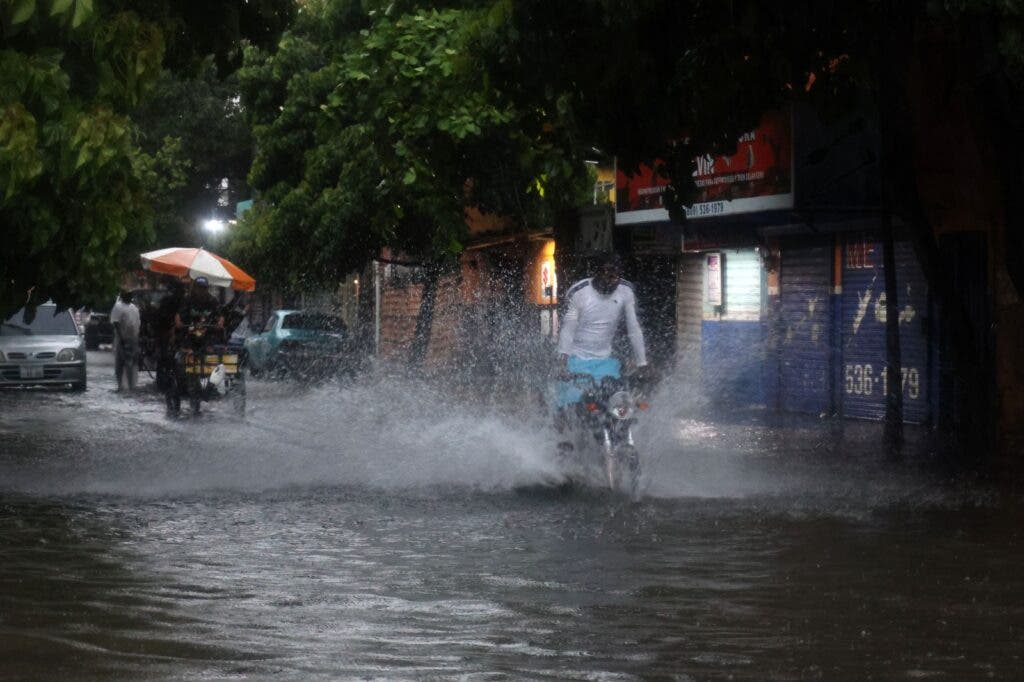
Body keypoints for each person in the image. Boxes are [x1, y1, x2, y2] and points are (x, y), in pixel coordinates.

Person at [553, 253, 650, 414]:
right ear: (596, 272)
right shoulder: (579, 293)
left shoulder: (626, 291)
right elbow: (568, 330)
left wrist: (642, 363)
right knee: (570, 406)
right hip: (576, 360)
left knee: (617, 405)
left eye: (615, 275)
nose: (610, 280)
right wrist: (562, 364)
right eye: (606, 273)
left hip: (605, 362)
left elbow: (634, 329)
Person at [174, 277, 224, 348]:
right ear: (195, 288)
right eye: (199, 287)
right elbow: (178, 314)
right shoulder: (188, 299)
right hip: (189, 333)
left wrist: (220, 323)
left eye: (204, 288)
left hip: (207, 333)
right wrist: (178, 322)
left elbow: (220, 316)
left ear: (207, 289)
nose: (201, 290)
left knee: (212, 350)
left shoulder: (213, 301)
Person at [110, 290, 141, 391]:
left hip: (133, 339)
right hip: (122, 339)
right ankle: (121, 385)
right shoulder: (118, 306)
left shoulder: (134, 308)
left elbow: (137, 323)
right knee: (121, 362)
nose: (129, 296)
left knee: (130, 362)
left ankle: (131, 385)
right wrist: (121, 337)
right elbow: (116, 323)